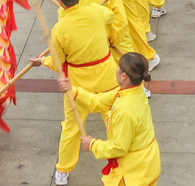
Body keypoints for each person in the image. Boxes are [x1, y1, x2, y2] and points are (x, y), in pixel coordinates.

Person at [28, 0, 118, 186]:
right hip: (107, 75)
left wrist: (42, 61)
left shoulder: (59, 30)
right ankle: (121, 156)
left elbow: (59, 63)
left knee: (72, 127)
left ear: (59, 1)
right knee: (114, 118)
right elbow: (110, 15)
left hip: (78, 83)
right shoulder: (96, 11)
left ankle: (63, 170)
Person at [59, 52, 161, 186]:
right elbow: (98, 102)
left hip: (133, 172)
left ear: (124, 76)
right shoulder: (134, 90)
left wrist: (92, 144)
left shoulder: (125, 109)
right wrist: (72, 91)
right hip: (147, 163)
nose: (116, 70)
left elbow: (118, 147)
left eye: (118, 68)